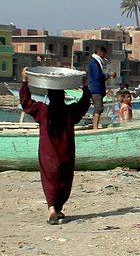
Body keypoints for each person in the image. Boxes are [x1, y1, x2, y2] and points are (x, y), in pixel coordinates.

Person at [19, 66, 91, 225]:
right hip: (66, 151)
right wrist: (85, 85)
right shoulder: (69, 112)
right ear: (63, 97)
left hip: (47, 153)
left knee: (49, 180)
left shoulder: (42, 110)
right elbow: (85, 104)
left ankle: (53, 208)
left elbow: (25, 102)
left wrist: (25, 82)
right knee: (64, 180)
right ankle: (57, 208)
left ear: (49, 97)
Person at [88, 46, 116, 129]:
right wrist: (108, 75)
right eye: (104, 54)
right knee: (99, 108)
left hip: (97, 89)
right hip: (96, 89)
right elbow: (98, 76)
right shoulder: (94, 63)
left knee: (98, 107)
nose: (104, 56)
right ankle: (95, 127)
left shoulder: (96, 63)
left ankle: (95, 126)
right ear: (100, 53)